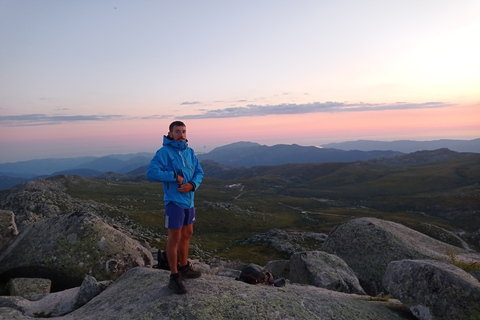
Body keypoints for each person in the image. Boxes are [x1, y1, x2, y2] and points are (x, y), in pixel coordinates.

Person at [146, 121, 204, 294]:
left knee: (187, 234)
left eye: (184, 131)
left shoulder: (190, 151)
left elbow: (199, 172)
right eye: (177, 131)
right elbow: (151, 173)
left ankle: (184, 266)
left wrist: (192, 185)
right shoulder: (164, 152)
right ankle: (174, 276)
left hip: (189, 201)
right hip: (174, 202)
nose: (181, 134)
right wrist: (173, 177)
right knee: (175, 237)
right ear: (170, 133)